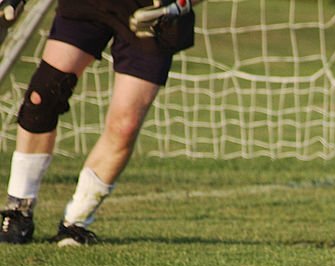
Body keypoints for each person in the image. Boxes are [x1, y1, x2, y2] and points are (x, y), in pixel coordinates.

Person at [0, 0, 200, 246]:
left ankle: (75, 224)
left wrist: (180, 4)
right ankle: (19, 210)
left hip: (152, 14)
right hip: (90, 5)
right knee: (42, 97)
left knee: (124, 125)